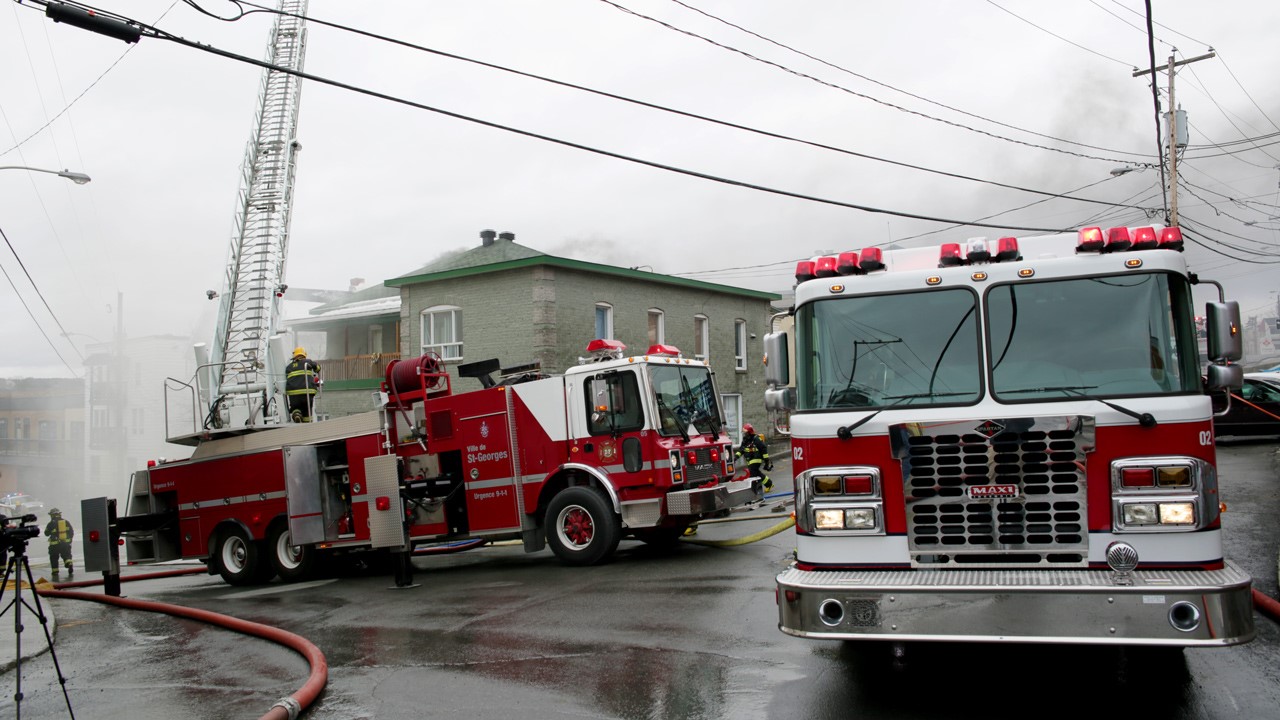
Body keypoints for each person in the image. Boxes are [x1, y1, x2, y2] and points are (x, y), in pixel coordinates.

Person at [285, 346, 321, 422]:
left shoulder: (288, 367)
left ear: (294, 356)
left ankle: (296, 414)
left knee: (295, 407)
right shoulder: (308, 362)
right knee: (307, 410)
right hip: (307, 393)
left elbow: (286, 378)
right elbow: (318, 368)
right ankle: (307, 424)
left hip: (294, 394)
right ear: (304, 355)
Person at [736, 423, 773, 493]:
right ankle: (769, 484)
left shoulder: (756, 438)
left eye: (745, 433)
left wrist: (766, 461)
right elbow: (741, 450)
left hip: (756, 459)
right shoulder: (745, 440)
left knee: (752, 474)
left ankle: (753, 490)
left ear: (749, 432)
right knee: (756, 473)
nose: (744, 434)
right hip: (749, 460)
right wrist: (735, 458)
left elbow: (763, 448)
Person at [44, 507, 74, 579]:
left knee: (54, 557)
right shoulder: (66, 522)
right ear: (59, 514)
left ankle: (55, 571)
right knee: (67, 555)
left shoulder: (50, 523)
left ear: (52, 515)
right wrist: (69, 540)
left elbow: (46, 533)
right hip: (65, 543)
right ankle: (69, 563)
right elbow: (71, 531)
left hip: (54, 545)